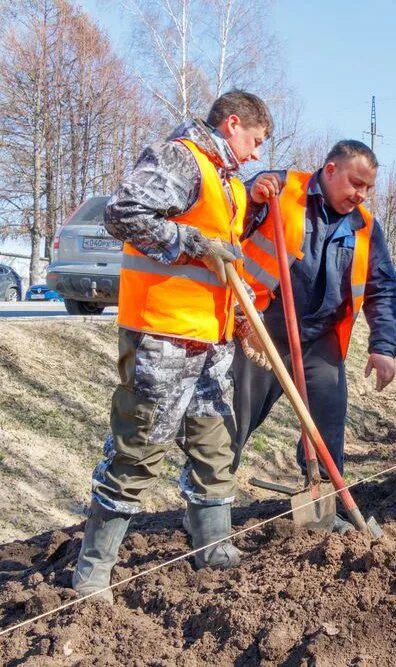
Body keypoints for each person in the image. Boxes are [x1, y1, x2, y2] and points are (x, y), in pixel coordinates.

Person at [73, 91, 273, 602]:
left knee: (214, 445)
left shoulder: (224, 180)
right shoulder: (179, 157)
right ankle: (93, 573)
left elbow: (220, 256)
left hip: (208, 341)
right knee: (138, 448)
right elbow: (122, 214)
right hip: (161, 337)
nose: (255, 155)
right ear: (232, 124)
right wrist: (195, 245)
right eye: (254, 141)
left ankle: (214, 549)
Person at [231, 140, 396, 506]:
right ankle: (208, 506)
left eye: (368, 188)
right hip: (262, 332)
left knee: (328, 422)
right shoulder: (280, 189)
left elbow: (383, 288)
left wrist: (383, 347)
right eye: (356, 183)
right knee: (235, 420)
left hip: (320, 337)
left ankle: (322, 503)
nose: (361, 194)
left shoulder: (365, 227)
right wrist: (254, 199)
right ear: (329, 170)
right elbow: (228, 226)